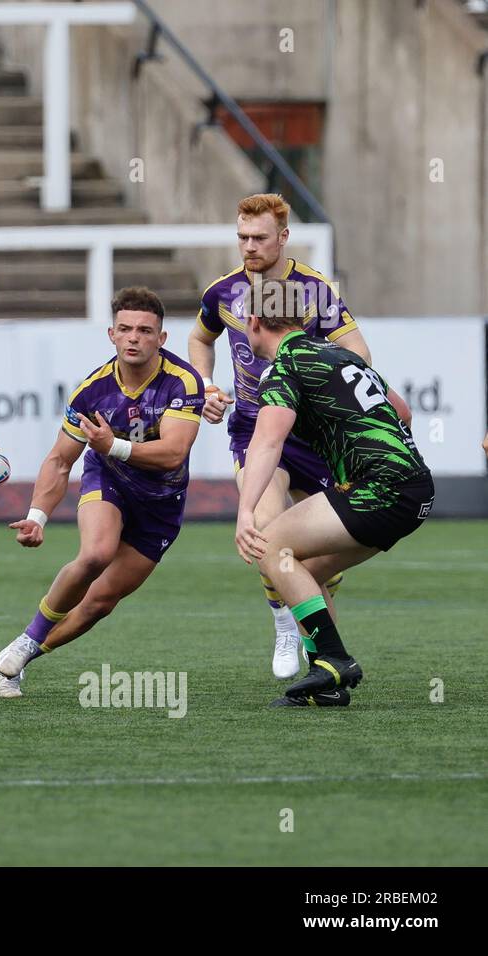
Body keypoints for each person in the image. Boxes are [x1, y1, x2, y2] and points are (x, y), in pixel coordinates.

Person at [188, 192, 374, 680]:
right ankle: (285, 624)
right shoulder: (222, 292)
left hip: (314, 435)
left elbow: (359, 352)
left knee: (317, 565)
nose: (248, 246)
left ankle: (328, 665)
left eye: (259, 238)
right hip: (256, 426)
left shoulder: (315, 290)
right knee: (269, 536)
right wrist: (204, 384)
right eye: (242, 237)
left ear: (284, 237)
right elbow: (199, 338)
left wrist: (319, 382)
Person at [0, 288, 204, 696]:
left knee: (99, 603)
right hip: (109, 482)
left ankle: (22, 658)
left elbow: (174, 453)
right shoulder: (91, 392)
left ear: (162, 339)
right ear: (111, 334)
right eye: (125, 329)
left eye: (145, 330)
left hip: (161, 504)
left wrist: (113, 445)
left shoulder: (183, 382)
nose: (133, 338)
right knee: (95, 554)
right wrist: (37, 517)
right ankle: (25, 640)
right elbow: (59, 461)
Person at [234, 278, 428, 708]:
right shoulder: (340, 353)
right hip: (414, 490)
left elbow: (267, 442)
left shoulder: (285, 367)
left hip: (380, 488)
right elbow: (403, 412)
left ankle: (333, 659)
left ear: (253, 322)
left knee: (271, 549)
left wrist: (245, 512)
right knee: (306, 571)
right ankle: (328, 682)